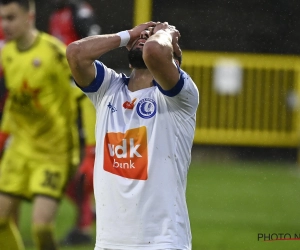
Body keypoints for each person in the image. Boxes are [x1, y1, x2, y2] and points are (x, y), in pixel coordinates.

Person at [66, 20, 199, 250]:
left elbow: (155, 52)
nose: (147, 37)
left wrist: (166, 33)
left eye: (151, 35)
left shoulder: (179, 97)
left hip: (162, 242)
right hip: (109, 243)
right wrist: (127, 35)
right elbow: (75, 53)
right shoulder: (108, 89)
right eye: (143, 35)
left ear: (174, 60)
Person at [0, 0, 80, 249]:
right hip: (20, 148)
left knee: (41, 227)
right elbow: (14, 101)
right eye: (2, 18)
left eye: (10, 18)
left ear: (29, 16)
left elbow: (81, 96)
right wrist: (4, 135)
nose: (5, 25)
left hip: (52, 150)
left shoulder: (54, 52)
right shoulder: (7, 53)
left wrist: (92, 144)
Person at [48, 0, 99, 245]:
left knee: (83, 171)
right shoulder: (55, 14)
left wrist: (83, 75)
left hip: (81, 97)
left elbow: (94, 42)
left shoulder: (78, 11)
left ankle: (87, 223)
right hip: (59, 97)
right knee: (65, 171)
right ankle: (88, 218)